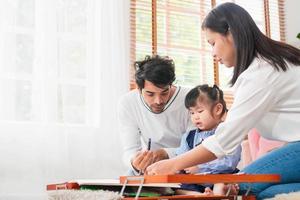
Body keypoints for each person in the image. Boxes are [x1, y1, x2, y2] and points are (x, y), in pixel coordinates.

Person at [146, 2, 300, 200]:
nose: (212, 53)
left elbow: (223, 141)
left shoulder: (261, 73)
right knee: (267, 193)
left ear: (231, 34)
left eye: (212, 43)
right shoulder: (269, 62)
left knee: (243, 185)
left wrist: (173, 164)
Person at [117, 55, 192, 175]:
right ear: (138, 88)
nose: (158, 101)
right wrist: (135, 162)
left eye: (164, 92)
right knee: (126, 182)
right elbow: (129, 150)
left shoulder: (190, 99)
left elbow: (197, 147)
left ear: (171, 85)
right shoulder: (127, 103)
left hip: (186, 163)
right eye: (150, 94)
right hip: (151, 167)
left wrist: (166, 154)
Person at [175, 84, 241, 195]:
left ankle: (217, 193)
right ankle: (201, 196)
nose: (195, 117)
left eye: (200, 111)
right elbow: (180, 158)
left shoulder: (228, 134)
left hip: (219, 177)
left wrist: (200, 167)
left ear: (218, 109)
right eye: (192, 112)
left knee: (221, 184)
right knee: (178, 186)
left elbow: (230, 163)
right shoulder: (188, 137)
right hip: (195, 181)